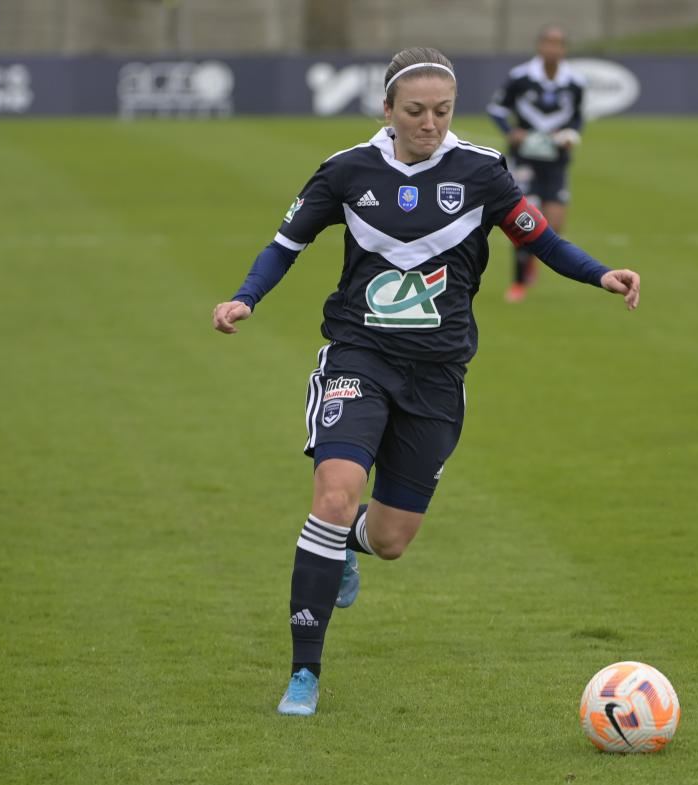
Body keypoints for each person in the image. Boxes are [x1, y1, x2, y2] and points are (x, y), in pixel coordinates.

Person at [212, 46, 638, 717]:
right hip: (359, 359)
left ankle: (351, 542)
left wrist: (601, 273)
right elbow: (284, 245)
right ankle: (304, 672)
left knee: (390, 540)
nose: (430, 123)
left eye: (442, 111)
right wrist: (245, 298)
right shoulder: (347, 172)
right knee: (332, 494)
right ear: (387, 110)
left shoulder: (483, 173)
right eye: (416, 111)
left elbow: (541, 239)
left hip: (438, 377)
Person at [487, 24, 585, 303]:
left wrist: (571, 135)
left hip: (556, 163)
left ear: (564, 49)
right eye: (549, 43)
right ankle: (518, 282)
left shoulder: (575, 82)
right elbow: (496, 110)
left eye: (559, 44)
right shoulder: (520, 77)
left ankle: (532, 258)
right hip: (524, 160)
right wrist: (511, 132)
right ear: (540, 46)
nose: (553, 49)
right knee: (524, 219)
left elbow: (578, 117)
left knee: (555, 224)